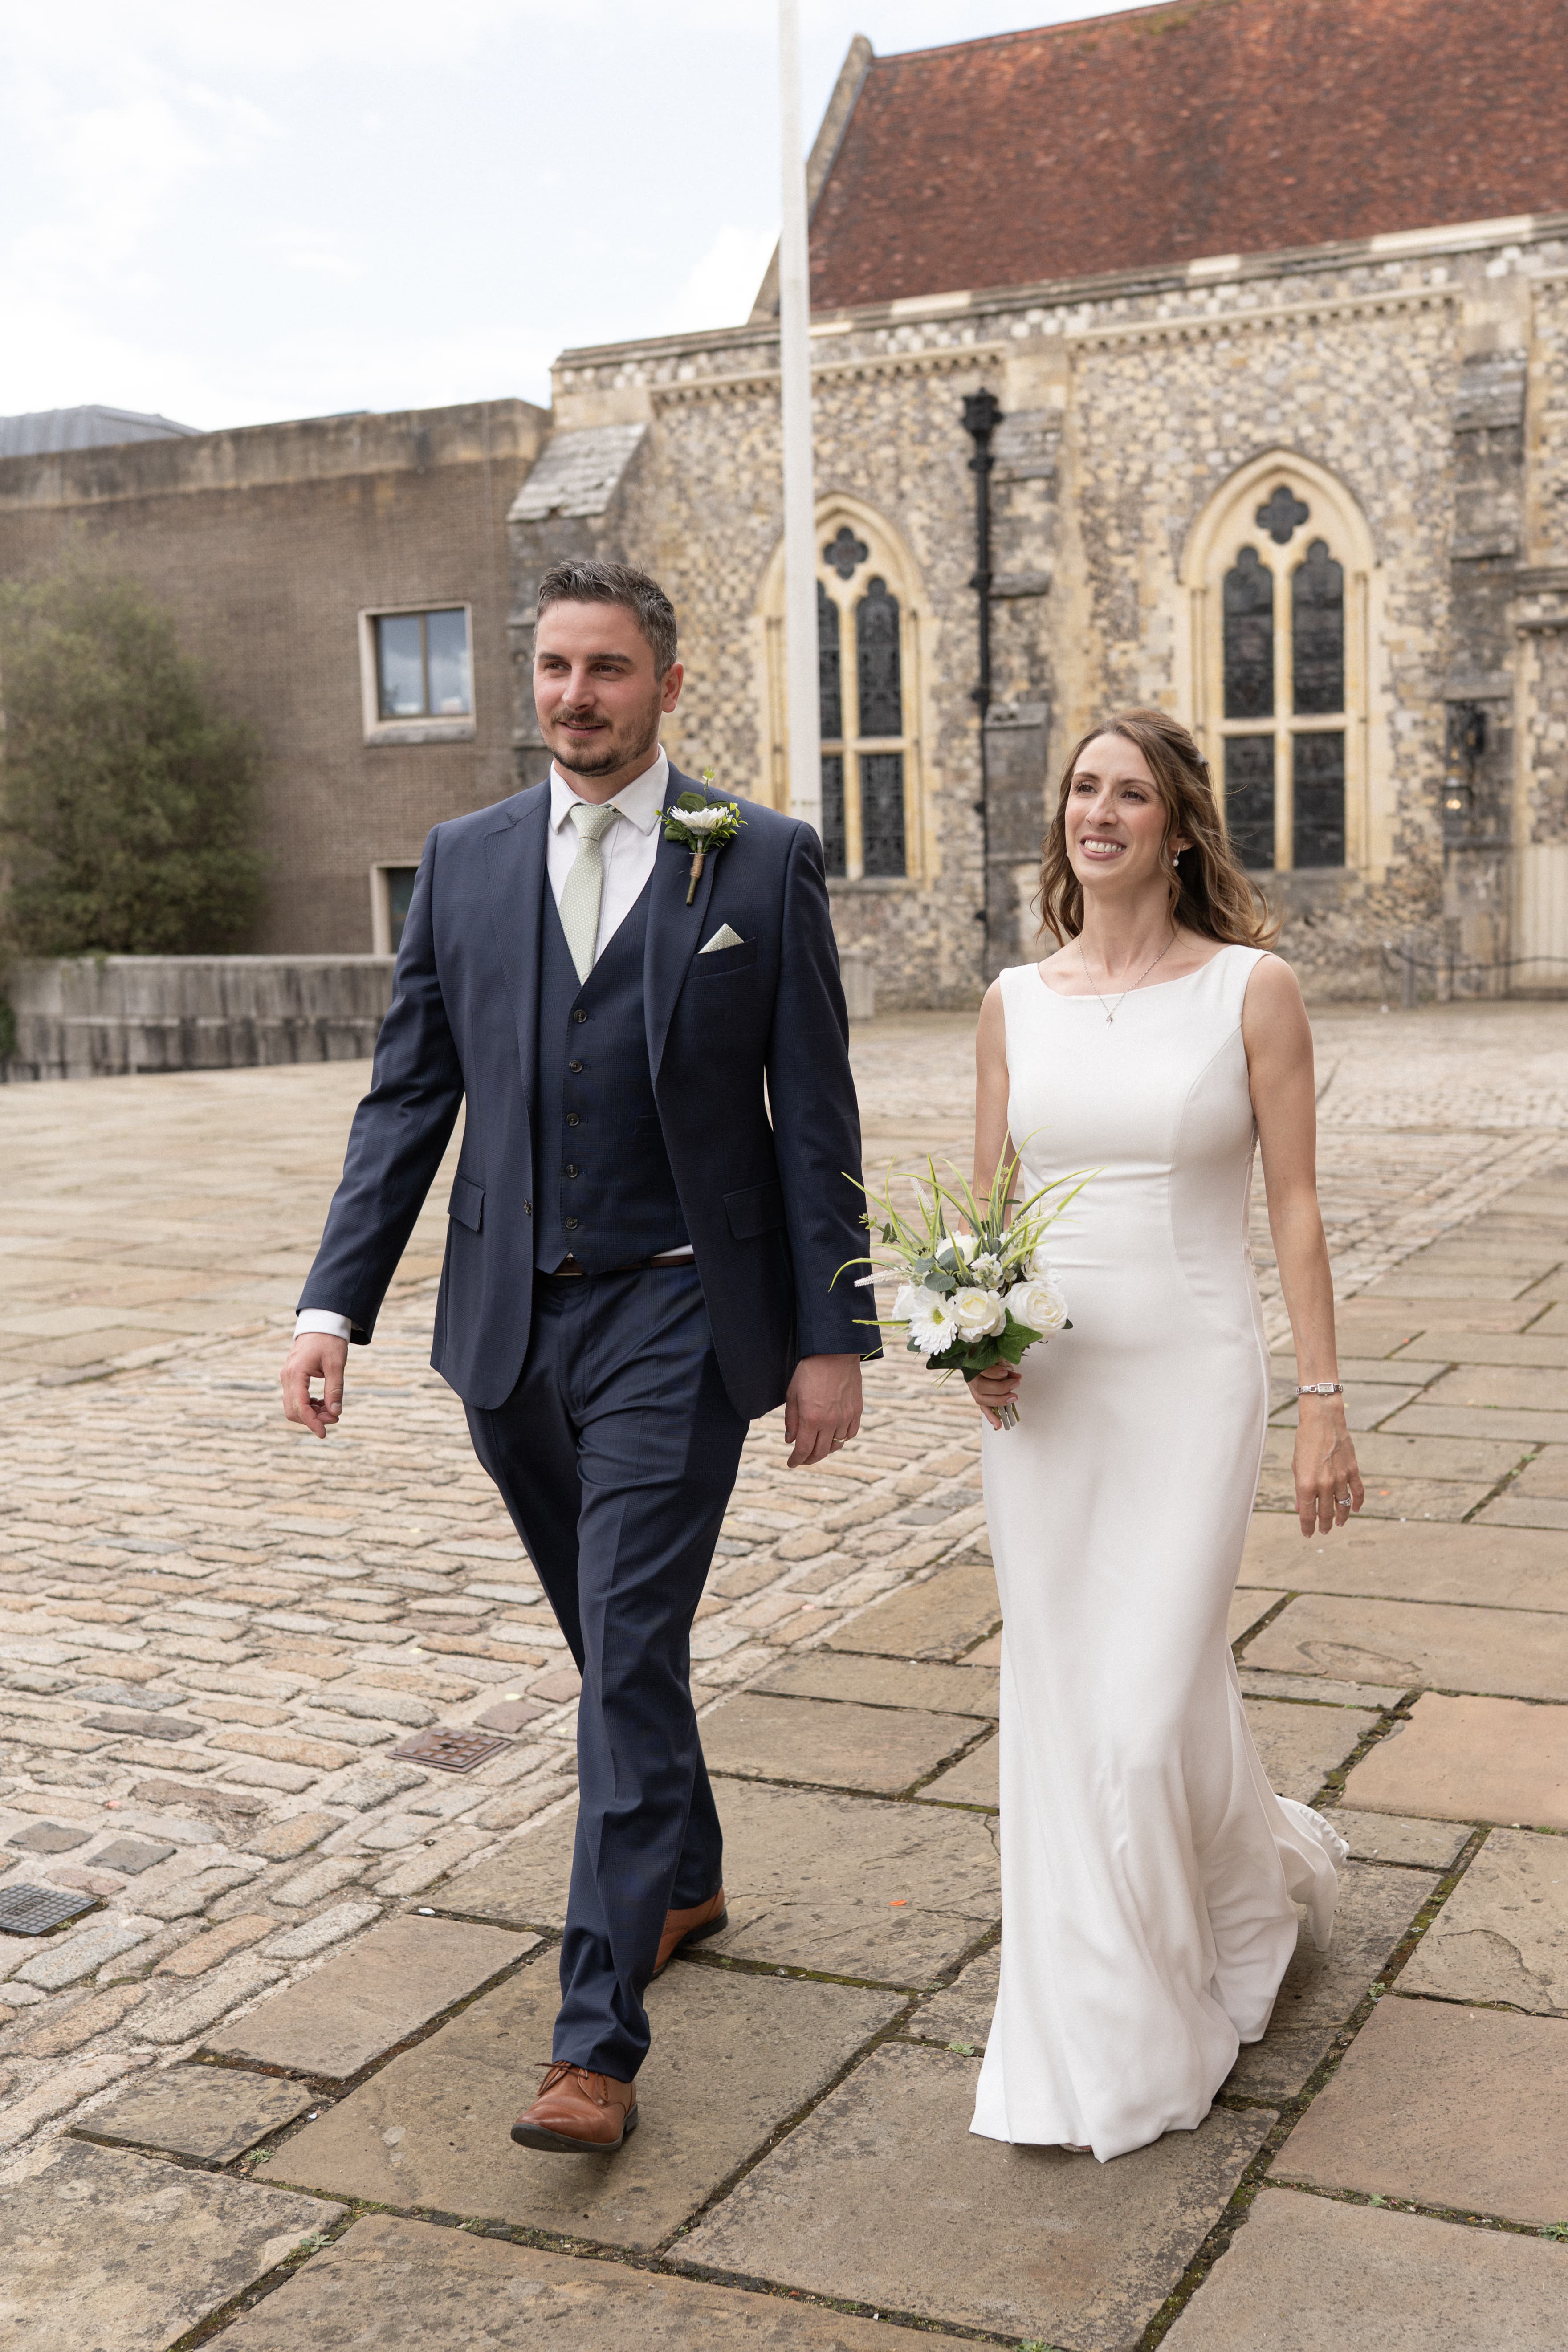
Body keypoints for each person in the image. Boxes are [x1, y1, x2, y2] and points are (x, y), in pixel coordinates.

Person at [280, 559, 867, 2155]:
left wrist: (835, 1333)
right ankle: (683, 1871)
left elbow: (813, 1117)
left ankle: (593, 2040)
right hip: (508, 1330)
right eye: (551, 666)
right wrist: (335, 1302)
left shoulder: (757, 860)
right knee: (619, 1643)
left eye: (606, 668)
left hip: (681, 1315)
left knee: (617, 1648)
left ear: (665, 683)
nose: (574, 696)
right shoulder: (464, 865)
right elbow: (408, 1098)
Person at [965, 708, 1362, 2162]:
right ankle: (1153, 1957)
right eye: (1081, 788)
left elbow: (1295, 1206)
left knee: (1137, 1711)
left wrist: (1323, 1397)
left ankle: (1168, 2010)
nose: (1099, 811)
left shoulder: (1252, 990)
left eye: (1129, 792)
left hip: (1194, 1379)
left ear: (1178, 826)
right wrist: (975, 1342)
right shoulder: (1015, 997)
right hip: (1049, 1402)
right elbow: (988, 1212)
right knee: (1077, 1702)